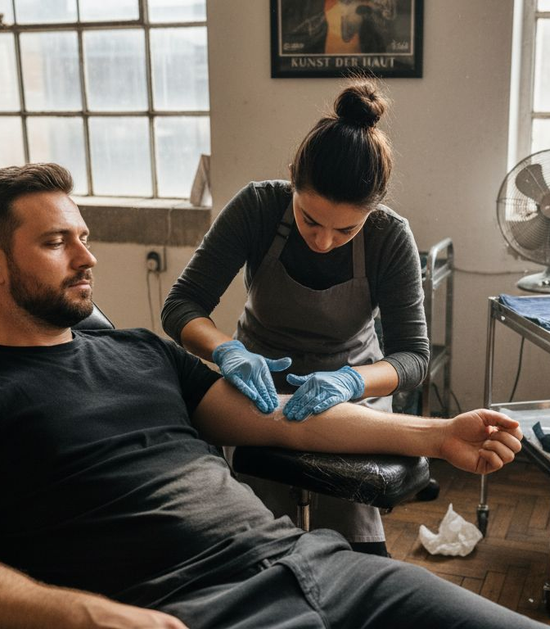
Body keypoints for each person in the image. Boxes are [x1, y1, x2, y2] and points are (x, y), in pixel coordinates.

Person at [0, 163, 544, 629]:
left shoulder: (139, 349)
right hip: (185, 607)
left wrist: (437, 433)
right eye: (55, 242)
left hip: (321, 567)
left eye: (83, 235)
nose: (87, 257)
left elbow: (289, 422)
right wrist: (86, 614)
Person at [162, 81, 427, 556]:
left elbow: (412, 358)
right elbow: (181, 306)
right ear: (291, 182)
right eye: (309, 220)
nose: (324, 241)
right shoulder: (258, 208)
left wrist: (351, 383)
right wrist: (227, 351)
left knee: (351, 550)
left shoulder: (390, 237)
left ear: (374, 209)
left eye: (346, 228)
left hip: (351, 389)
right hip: (257, 382)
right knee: (255, 541)